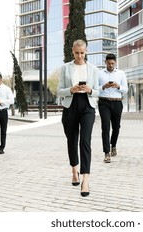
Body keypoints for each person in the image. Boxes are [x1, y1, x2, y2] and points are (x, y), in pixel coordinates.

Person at [57, 39, 99, 197]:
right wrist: (71, 89)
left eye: (82, 53)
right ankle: (74, 170)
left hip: (87, 106)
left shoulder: (93, 69)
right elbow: (59, 91)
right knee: (72, 140)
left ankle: (85, 180)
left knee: (85, 141)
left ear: (86, 51)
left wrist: (90, 90)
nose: (80, 56)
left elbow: (98, 91)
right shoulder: (65, 68)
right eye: (77, 53)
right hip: (71, 105)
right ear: (72, 52)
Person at [98, 53, 128, 163]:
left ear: (115, 62)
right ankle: (106, 152)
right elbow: (95, 89)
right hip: (104, 102)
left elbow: (126, 90)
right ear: (105, 62)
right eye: (108, 63)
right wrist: (104, 87)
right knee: (105, 127)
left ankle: (113, 145)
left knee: (116, 127)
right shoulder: (99, 73)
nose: (110, 65)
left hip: (117, 103)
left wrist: (118, 86)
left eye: (112, 63)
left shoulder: (121, 74)